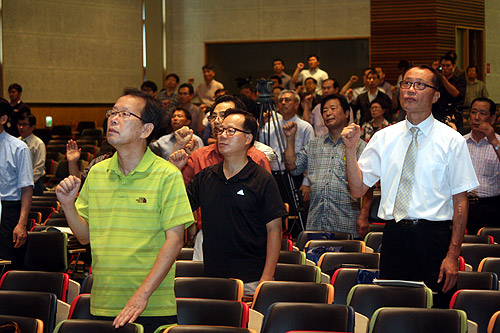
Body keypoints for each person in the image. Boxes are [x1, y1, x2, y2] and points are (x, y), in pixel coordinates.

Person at [55, 88, 193, 332]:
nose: (114, 119)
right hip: (104, 303)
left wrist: (142, 295)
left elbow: (175, 240)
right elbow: (84, 236)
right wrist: (67, 205)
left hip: (150, 306)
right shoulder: (97, 173)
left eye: (126, 114)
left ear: (146, 130)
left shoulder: (167, 175)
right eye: (113, 112)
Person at [341, 64, 479, 308]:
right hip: (395, 236)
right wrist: (351, 150)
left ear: (435, 96)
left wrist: (452, 255)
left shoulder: (452, 141)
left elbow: (460, 202)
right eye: (406, 83)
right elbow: (358, 189)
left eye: (420, 84)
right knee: (395, 311)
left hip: (434, 238)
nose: (411, 89)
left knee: (435, 314)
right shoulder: (384, 137)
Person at [171, 109, 286, 294]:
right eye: (220, 131)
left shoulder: (262, 179)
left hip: (251, 280)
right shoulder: (206, 177)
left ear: (248, 138)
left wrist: (265, 279)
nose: (222, 136)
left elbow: (275, 230)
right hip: (212, 277)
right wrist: (174, 172)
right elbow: (176, 210)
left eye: (230, 131)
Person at [284, 94, 372, 237]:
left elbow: (368, 186)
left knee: (345, 259)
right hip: (316, 223)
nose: (328, 113)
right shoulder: (314, 144)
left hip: (347, 222)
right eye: (324, 111)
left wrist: (364, 216)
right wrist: (290, 139)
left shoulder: (360, 146)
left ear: (347, 113)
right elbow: (293, 168)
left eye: (333, 108)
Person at [260, 89, 314, 221]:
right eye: (281, 101)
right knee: (274, 215)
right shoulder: (268, 127)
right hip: (273, 176)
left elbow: (311, 157)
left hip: (295, 176)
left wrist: (307, 182)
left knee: (296, 216)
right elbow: (260, 152)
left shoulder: (305, 127)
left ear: (296, 104)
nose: (283, 103)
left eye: (287, 100)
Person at [0, 97, 33, 269]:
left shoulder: (18, 148)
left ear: (3, 119)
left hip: (9, 211)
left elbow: (27, 189)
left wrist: (21, 224)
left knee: (7, 265)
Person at [463, 97, 500, 234]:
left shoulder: (498, 142)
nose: (477, 118)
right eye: (474, 112)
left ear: (492, 118)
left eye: (483, 113)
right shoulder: (460, 142)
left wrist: (493, 141)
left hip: (491, 207)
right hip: (463, 206)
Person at [432, 55, 467, 129]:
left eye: (448, 66)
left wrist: (442, 78)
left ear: (453, 66)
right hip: (437, 114)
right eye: (443, 66)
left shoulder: (459, 80)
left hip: (453, 115)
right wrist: (432, 72)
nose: (445, 68)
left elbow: (456, 94)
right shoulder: (436, 81)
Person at [17, 113, 46, 195]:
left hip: (34, 183)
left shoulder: (38, 144)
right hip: (15, 183)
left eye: (25, 125)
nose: (21, 127)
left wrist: (26, 183)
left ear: (33, 127)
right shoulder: (15, 142)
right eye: (19, 124)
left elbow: (39, 168)